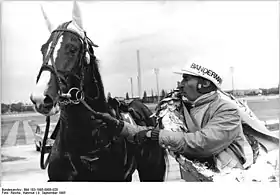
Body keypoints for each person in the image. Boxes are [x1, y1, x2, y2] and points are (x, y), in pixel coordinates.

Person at [95, 60, 254, 172]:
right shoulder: (182, 108)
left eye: (186, 78)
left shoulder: (227, 111)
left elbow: (202, 144)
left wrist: (155, 134)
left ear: (204, 84)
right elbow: (150, 132)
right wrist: (119, 126)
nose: (180, 84)